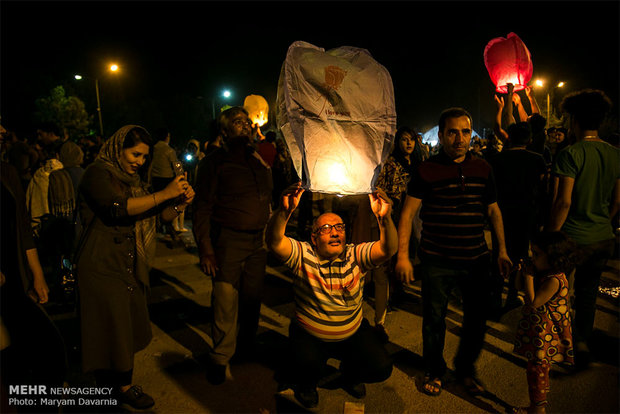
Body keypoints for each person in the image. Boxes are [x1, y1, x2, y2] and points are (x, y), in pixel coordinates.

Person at [75, 125, 194, 410]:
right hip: (100, 264)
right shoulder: (97, 173)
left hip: (128, 264)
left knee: (125, 328)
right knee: (106, 330)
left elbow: (155, 216)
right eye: (135, 154)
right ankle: (111, 390)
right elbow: (117, 208)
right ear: (119, 148)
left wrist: (178, 204)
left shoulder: (135, 180)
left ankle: (122, 386)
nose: (140, 161)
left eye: (144, 157)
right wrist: (165, 193)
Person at [395, 107, 512, 397]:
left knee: (476, 320)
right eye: (452, 132)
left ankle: (465, 369)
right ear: (442, 134)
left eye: (465, 131)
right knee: (434, 320)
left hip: (476, 259)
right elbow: (408, 214)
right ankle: (434, 369)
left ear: (471, 133)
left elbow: (493, 210)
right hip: (437, 260)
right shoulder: (426, 170)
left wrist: (502, 250)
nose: (459, 138)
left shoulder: (483, 168)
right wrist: (402, 256)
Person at [265, 183, 396, 408]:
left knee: (381, 366)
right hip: (310, 335)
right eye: (325, 228)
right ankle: (307, 384)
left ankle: (350, 374)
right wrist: (284, 212)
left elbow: (387, 249)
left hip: (352, 332)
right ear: (314, 238)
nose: (335, 232)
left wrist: (384, 219)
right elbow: (274, 242)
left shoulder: (355, 254)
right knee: (303, 362)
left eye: (339, 227)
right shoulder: (304, 255)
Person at [193, 106, 273, 385]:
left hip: (257, 241)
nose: (246, 126)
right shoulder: (214, 162)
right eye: (238, 122)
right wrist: (206, 248)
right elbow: (202, 208)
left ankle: (247, 346)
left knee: (252, 299)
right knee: (226, 300)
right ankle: (220, 356)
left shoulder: (258, 159)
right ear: (225, 131)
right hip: (227, 240)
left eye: (247, 122)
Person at [547, 89, 620, 369]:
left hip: (573, 238)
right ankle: (581, 344)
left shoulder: (570, 154)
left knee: (557, 289)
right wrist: (602, 220)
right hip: (603, 238)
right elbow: (617, 201)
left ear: (574, 120)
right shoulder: (615, 155)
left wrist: (551, 235)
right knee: (588, 293)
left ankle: (557, 341)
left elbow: (563, 202)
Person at [512, 232, 578, 414]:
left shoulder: (554, 280)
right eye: (532, 253)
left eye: (537, 254)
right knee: (537, 370)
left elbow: (534, 302)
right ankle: (537, 406)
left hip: (546, 335)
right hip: (538, 330)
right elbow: (519, 287)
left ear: (554, 257)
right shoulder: (543, 271)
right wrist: (522, 272)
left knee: (537, 371)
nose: (533, 257)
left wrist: (528, 277)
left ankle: (537, 409)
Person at [487, 122, 547, 314]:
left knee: (499, 253)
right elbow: (543, 190)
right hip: (527, 214)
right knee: (520, 255)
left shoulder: (496, 160)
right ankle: (512, 296)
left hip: (501, 214)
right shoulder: (537, 160)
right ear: (529, 139)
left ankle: (495, 298)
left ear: (508, 138)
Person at [372, 126, 418, 339]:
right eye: (404, 140)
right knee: (391, 251)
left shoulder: (417, 163)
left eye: (411, 140)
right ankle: (387, 295)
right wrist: (387, 203)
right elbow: (379, 187)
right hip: (395, 211)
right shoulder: (390, 163)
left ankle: (399, 289)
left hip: (412, 212)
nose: (408, 144)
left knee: (407, 249)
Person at [150, 127, 183, 241]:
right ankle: (169, 228)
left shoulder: (152, 149)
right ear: (167, 137)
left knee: (158, 203)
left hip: (155, 179)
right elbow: (176, 166)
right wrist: (181, 177)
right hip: (167, 180)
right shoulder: (169, 150)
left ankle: (160, 226)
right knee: (168, 205)